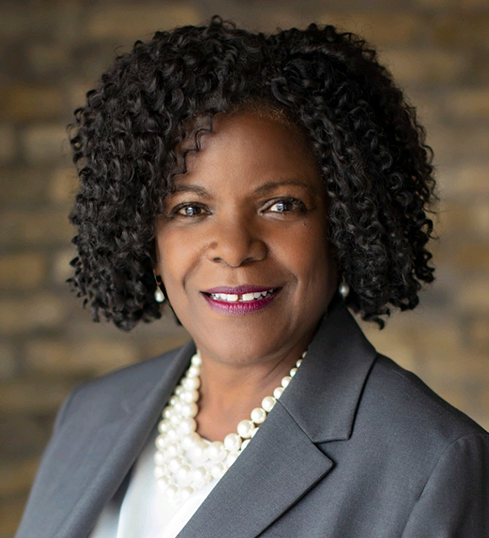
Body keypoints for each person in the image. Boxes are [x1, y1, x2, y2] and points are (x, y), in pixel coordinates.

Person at [15, 14, 489, 538]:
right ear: (146, 240)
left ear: (344, 226)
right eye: (191, 210)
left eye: (281, 205)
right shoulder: (89, 414)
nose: (235, 249)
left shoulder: (430, 463)